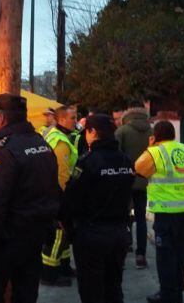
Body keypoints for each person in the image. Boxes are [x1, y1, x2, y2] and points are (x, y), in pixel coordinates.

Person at [0, 94, 60, 303]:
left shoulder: (4, 150)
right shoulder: (42, 145)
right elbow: (51, 190)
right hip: (34, 239)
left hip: (6, 242)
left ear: (1, 118)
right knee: (26, 294)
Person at [61, 114, 134, 303]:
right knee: (114, 288)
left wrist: (68, 228)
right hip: (119, 233)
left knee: (92, 291)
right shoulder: (126, 161)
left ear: (92, 132)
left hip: (92, 235)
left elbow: (71, 199)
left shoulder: (88, 162)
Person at [135, 121, 184, 303]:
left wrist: (151, 146)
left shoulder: (155, 151)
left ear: (155, 135)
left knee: (166, 256)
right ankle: (177, 291)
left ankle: (167, 295)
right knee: (181, 254)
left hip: (166, 213)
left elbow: (139, 169)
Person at [40, 105, 78, 286]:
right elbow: (62, 174)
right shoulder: (61, 141)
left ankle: (64, 266)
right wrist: (63, 201)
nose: (75, 121)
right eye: (72, 118)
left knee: (64, 233)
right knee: (58, 234)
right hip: (58, 193)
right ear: (62, 120)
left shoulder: (52, 134)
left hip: (49, 191)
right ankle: (49, 273)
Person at [115, 104, 153, 269]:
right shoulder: (152, 132)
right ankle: (141, 255)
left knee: (122, 217)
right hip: (144, 181)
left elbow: (115, 155)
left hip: (125, 180)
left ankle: (122, 251)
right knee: (141, 219)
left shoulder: (122, 131)